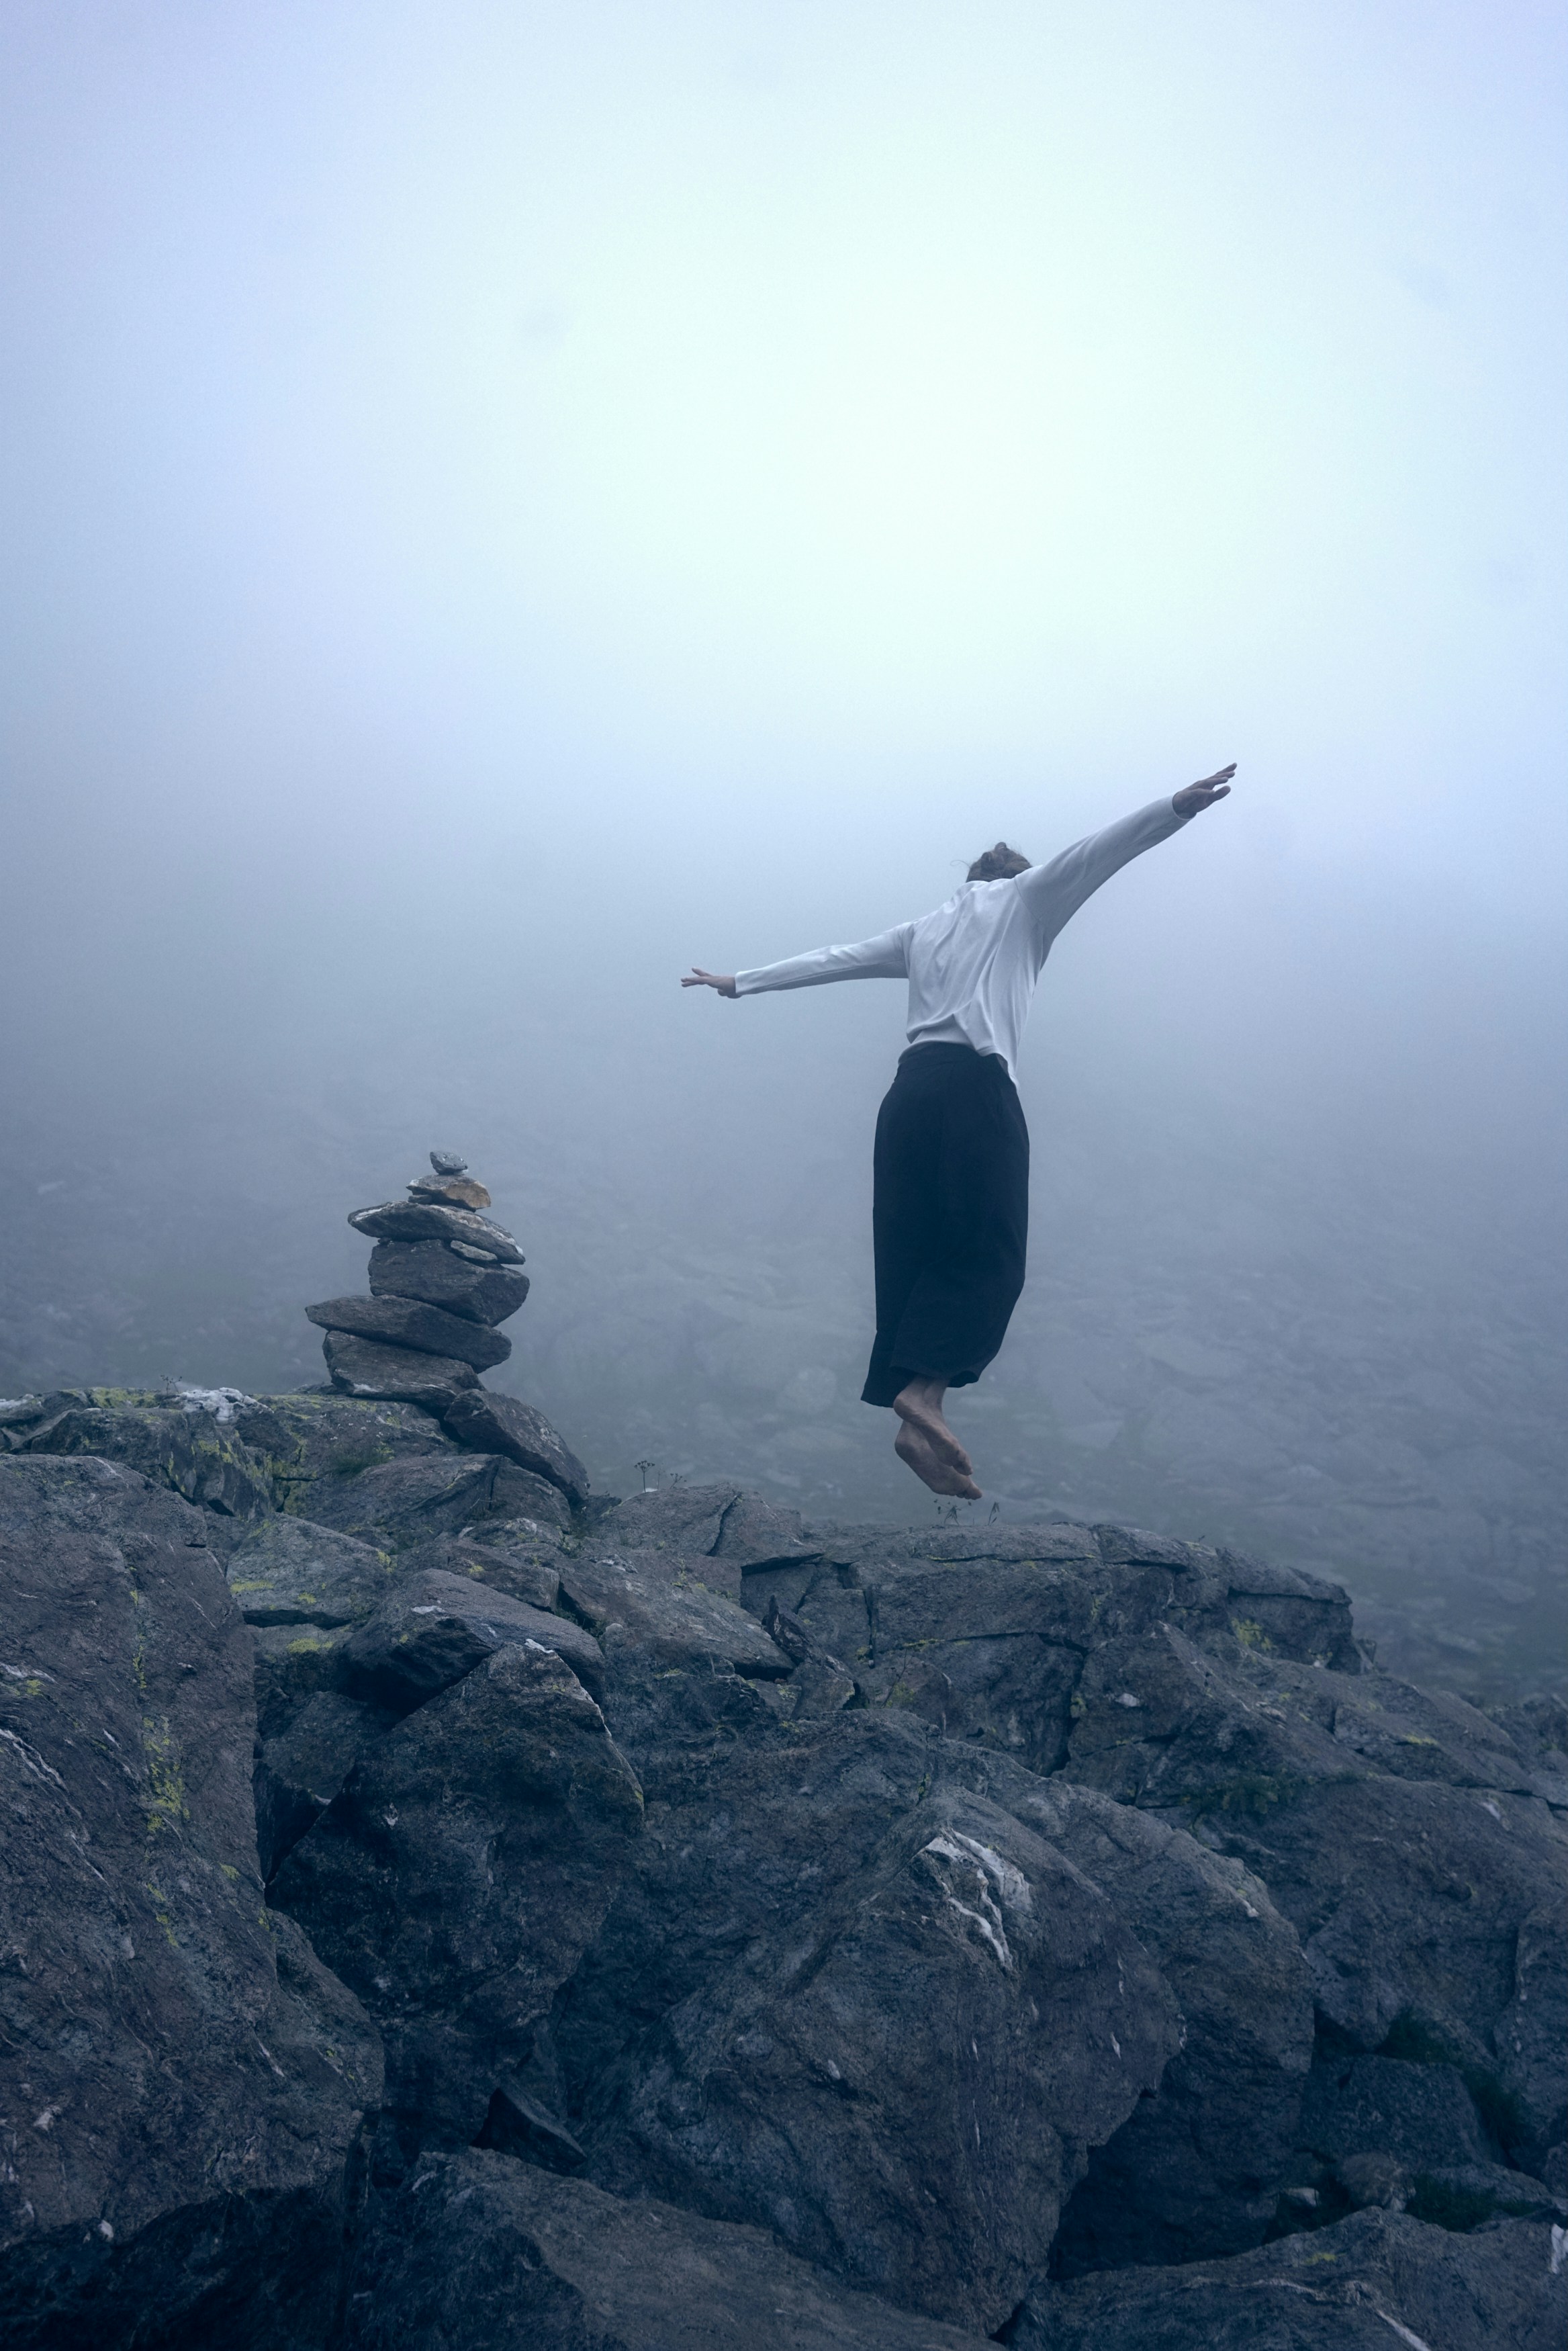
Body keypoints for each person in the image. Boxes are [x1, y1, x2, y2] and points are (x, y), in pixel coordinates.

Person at [683, 765, 1234, 1499]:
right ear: (1014, 877)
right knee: (990, 1251)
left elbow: (836, 959)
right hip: (974, 1087)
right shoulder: (1027, 899)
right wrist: (1174, 808)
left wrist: (740, 981)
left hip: (907, 1094)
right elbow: (1096, 854)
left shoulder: (923, 931)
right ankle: (923, 1395)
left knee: (912, 1250)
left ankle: (918, 1416)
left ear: (968, 878)